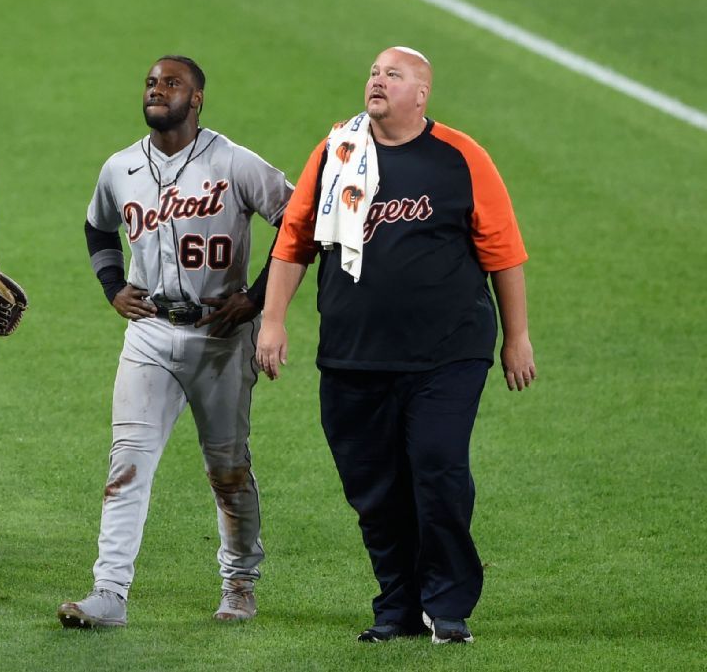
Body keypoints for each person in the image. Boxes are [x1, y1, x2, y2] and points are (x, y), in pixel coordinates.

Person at [256, 46, 536, 643]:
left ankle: (450, 603)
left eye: (394, 74)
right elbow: (295, 237)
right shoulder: (337, 151)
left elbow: (504, 252)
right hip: (353, 354)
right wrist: (273, 320)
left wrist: (518, 337)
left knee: (437, 468)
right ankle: (398, 607)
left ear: (421, 94)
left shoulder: (461, 158)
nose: (378, 80)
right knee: (373, 488)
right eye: (375, 72)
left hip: (449, 353)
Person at [57, 56, 293, 628]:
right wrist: (113, 286)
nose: (157, 89)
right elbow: (98, 225)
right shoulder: (120, 168)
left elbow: (295, 220)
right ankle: (109, 594)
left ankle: (239, 584)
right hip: (150, 335)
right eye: (151, 82)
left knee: (228, 469)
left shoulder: (233, 162)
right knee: (127, 465)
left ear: (198, 99)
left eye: (172, 83)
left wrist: (258, 297)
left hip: (222, 339)